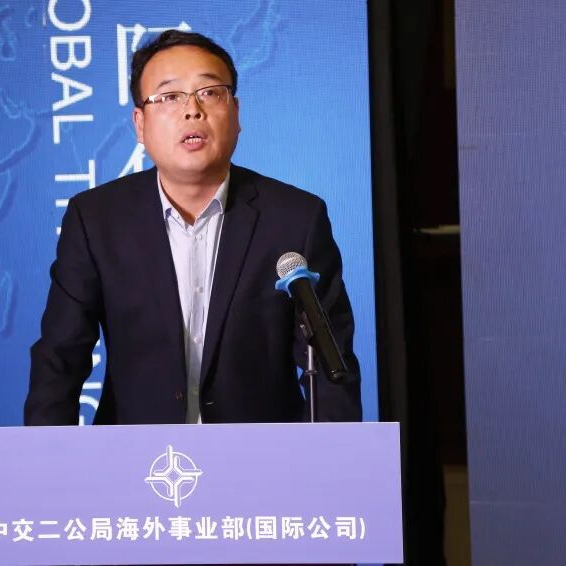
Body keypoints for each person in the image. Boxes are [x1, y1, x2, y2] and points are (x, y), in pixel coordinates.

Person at [25, 30, 361, 426]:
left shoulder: (296, 218)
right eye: (169, 97)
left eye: (210, 92)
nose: (192, 110)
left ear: (235, 112)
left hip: (259, 454)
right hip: (137, 455)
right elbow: (59, 360)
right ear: (140, 123)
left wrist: (330, 457)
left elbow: (332, 366)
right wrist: (45, 457)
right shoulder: (96, 219)